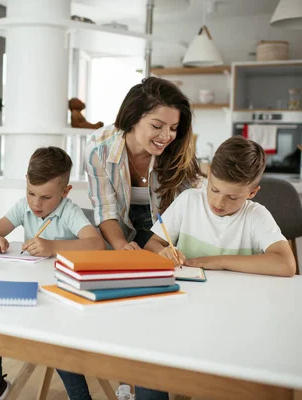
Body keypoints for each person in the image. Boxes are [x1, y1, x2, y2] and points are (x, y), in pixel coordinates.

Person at [58, 77, 202, 400]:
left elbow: (182, 215)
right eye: (157, 125)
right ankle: (127, 373)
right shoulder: (98, 147)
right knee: (121, 302)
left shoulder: (178, 153)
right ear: (133, 118)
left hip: (165, 226)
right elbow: (106, 212)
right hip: (117, 226)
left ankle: (151, 373)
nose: (167, 136)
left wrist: (159, 248)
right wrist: (122, 247)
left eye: (174, 128)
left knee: (155, 308)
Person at [0, 146, 105, 399]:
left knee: (57, 343)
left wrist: (52, 247)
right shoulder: (23, 207)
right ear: (26, 184)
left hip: (60, 298)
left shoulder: (68, 211)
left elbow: (96, 244)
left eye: (46, 197)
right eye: (31, 193)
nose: (36, 203)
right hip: (29, 290)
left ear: (65, 192)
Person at [145, 136, 296, 277]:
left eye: (232, 197)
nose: (219, 203)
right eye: (214, 190)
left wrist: (218, 262)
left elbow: (287, 265)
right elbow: (152, 244)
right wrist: (162, 252)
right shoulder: (188, 201)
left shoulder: (255, 216)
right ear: (209, 174)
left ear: (252, 193)